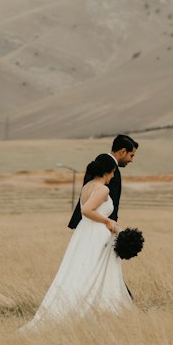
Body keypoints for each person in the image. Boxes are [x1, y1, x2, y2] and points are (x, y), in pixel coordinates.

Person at [23, 155, 133, 328]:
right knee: (94, 271)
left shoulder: (87, 186)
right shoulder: (102, 189)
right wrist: (107, 221)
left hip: (84, 232)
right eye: (112, 173)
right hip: (96, 232)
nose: (113, 176)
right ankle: (96, 309)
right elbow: (87, 210)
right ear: (107, 172)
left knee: (82, 269)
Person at [67, 134, 138, 230]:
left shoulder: (99, 164)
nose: (131, 160)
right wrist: (111, 225)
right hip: (100, 227)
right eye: (131, 155)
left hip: (86, 224)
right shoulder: (111, 171)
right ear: (123, 152)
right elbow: (111, 202)